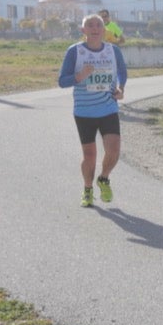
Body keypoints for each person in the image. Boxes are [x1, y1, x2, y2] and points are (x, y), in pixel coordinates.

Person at [57, 13, 128, 208]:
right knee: (90, 155)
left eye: (98, 25)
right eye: (90, 25)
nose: (95, 28)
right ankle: (87, 189)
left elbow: (122, 72)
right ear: (83, 31)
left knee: (114, 151)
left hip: (108, 107)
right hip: (84, 111)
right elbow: (62, 81)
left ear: (104, 30)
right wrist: (79, 76)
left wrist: (121, 89)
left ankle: (103, 178)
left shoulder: (113, 51)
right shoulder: (75, 52)